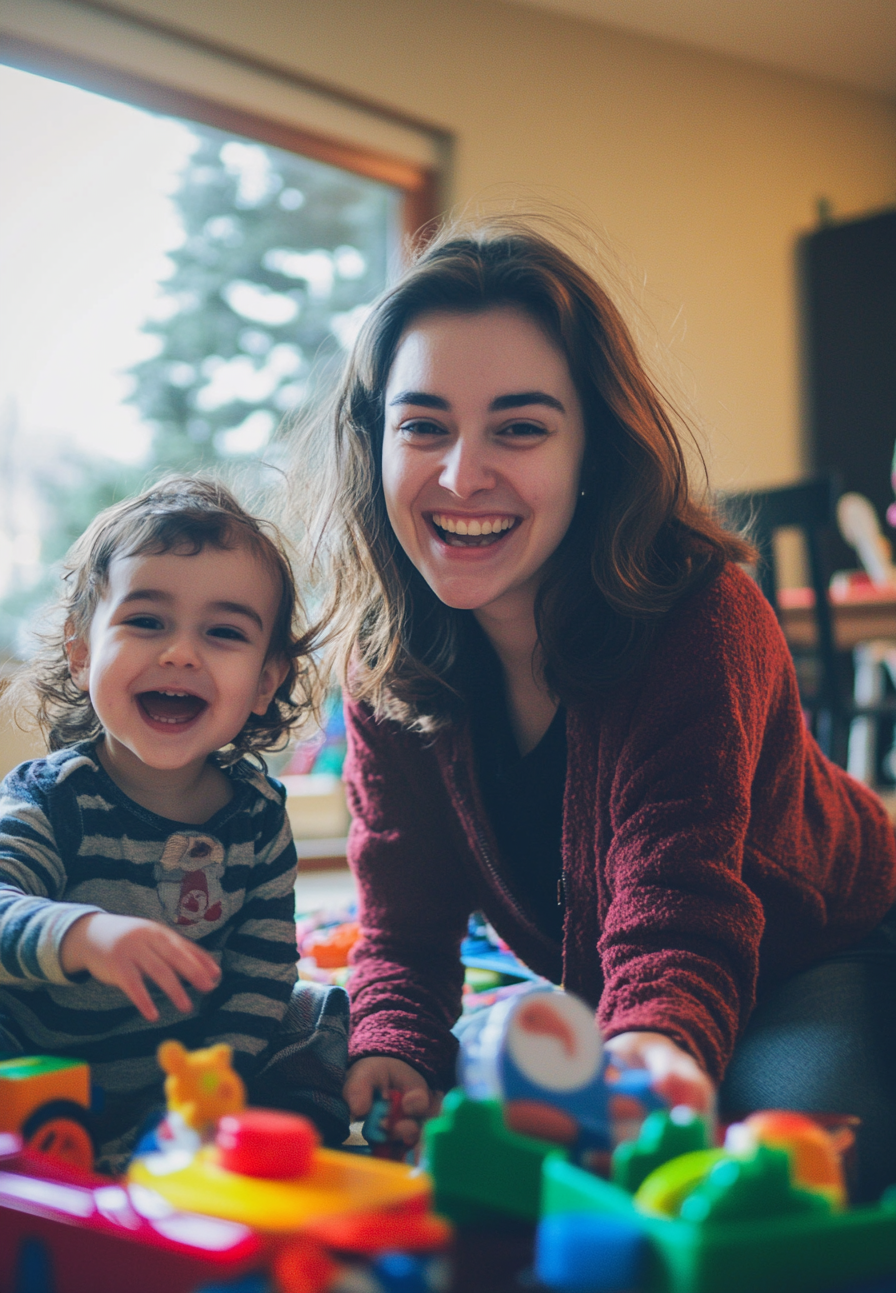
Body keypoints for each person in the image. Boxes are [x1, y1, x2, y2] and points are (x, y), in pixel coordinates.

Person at [292, 216, 896, 1198]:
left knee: (792, 1171)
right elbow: (400, 931)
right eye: (422, 425)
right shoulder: (384, 659)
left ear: (591, 454)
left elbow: (677, 912)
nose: (459, 475)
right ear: (377, 442)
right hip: (615, 977)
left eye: (519, 427)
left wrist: (649, 1053)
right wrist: (394, 1051)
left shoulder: (697, 614)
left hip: (813, 948)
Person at [0, 476, 349, 1167]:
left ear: (264, 682)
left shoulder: (256, 817)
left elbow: (261, 975)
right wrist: (84, 934)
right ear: (81, 652)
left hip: (191, 1083)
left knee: (318, 1014)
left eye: (223, 632)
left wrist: (215, 1078)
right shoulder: (52, 798)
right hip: (36, 1082)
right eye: (147, 621)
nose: (181, 653)